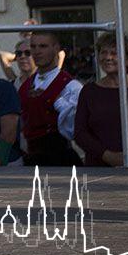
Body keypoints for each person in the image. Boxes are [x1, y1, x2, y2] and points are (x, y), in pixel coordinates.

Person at [74, 33, 128, 166]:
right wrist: (107, 155)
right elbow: (80, 132)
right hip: (98, 168)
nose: (108, 57)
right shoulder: (89, 91)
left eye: (114, 53)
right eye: (103, 52)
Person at [18, 31, 82, 166]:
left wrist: (57, 102)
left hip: (60, 159)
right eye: (33, 47)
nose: (37, 51)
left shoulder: (71, 86)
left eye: (43, 46)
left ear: (56, 49)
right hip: (31, 160)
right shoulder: (25, 86)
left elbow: (76, 128)